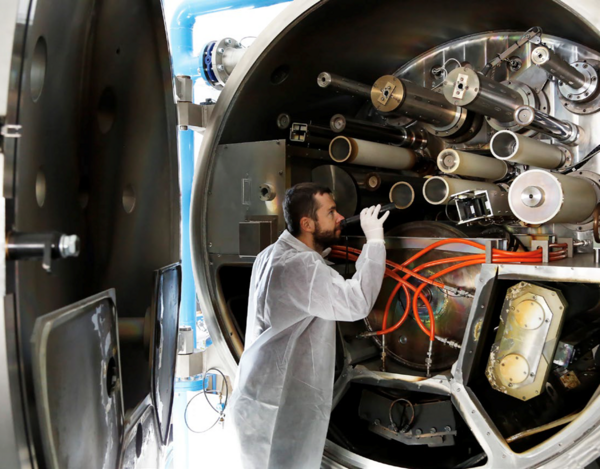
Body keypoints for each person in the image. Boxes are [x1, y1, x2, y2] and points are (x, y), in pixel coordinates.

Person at [229, 182, 389, 469]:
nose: (340, 218)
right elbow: (356, 303)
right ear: (307, 223)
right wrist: (375, 242)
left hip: (258, 397)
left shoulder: (273, 254)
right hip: (278, 405)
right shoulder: (301, 266)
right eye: (331, 212)